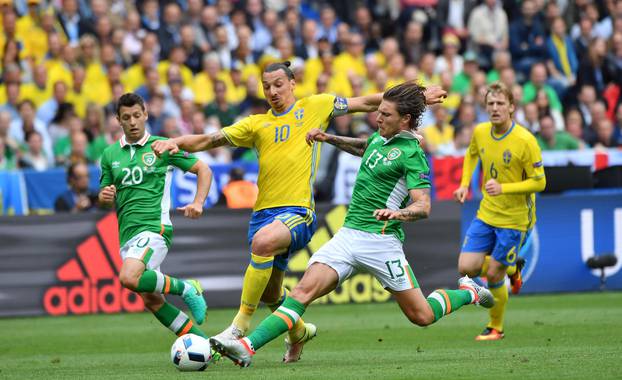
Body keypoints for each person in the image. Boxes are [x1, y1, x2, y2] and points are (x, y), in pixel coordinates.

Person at [152, 62, 446, 362]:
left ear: (293, 83)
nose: (273, 91)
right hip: (272, 216)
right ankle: (299, 332)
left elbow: (370, 102)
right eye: (266, 86)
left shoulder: (316, 106)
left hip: (300, 212)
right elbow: (208, 140)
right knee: (273, 294)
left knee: (263, 243)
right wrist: (172, 141)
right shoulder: (255, 124)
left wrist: (421, 93)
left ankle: (238, 328)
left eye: (279, 83)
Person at [208, 82, 494, 368]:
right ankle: (247, 346)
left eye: (385, 115)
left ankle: (467, 291)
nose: (377, 118)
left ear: (404, 119)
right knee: (300, 293)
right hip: (347, 236)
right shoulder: (378, 138)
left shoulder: (412, 153)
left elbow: (423, 206)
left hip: (381, 242)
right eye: (378, 112)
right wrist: (327, 137)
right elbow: (364, 148)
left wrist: (398, 214)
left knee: (422, 316)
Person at [98, 93, 213, 339]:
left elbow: (203, 169)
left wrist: (198, 202)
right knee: (152, 300)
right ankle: (205, 345)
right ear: (118, 120)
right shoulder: (109, 155)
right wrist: (105, 197)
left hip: (154, 228)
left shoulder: (163, 146)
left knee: (129, 277)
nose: (132, 122)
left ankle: (187, 288)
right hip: (127, 236)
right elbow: (104, 196)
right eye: (126, 117)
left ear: (146, 114)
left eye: (137, 116)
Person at [453, 82, 546, 341]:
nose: (495, 108)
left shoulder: (526, 141)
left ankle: (496, 327)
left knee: (493, 273)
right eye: (490, 104)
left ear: (512, 107)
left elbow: (540, 182)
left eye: (500, 103)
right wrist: (463, 185)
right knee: (466, 267)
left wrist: (504, 187)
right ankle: (512, 268)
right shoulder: (481, 132)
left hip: (515, 220)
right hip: (487, 213)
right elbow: (471, 155)